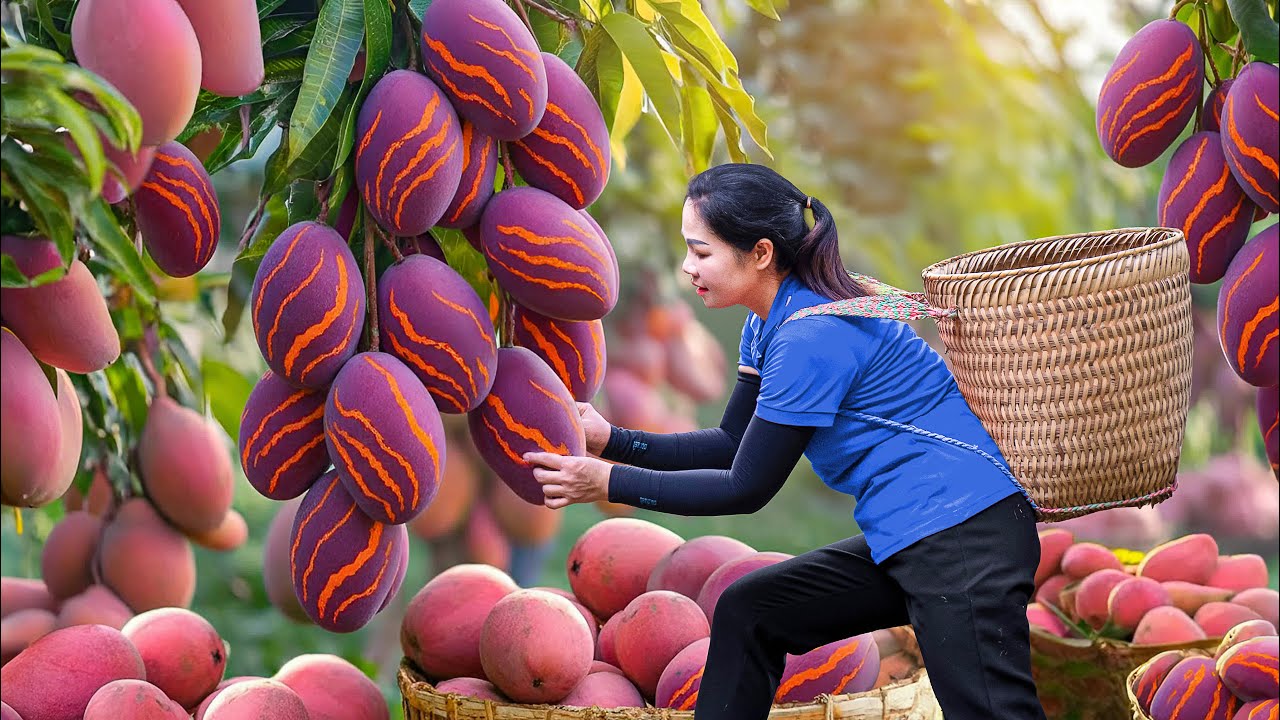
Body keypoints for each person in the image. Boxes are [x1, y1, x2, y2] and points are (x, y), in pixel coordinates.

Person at [522, 163, 1047, 720]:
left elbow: (745, 487)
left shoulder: (810, 336)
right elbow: (732, 442)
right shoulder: (771, 321)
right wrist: (613, 442)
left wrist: (610, 482)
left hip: (963, 537)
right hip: (912, 537)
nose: (686, 267)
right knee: (752, 611)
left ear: (762, 253)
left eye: (701, 253)